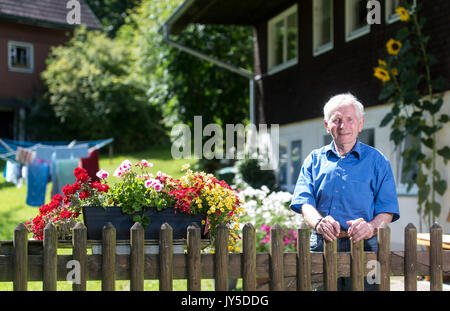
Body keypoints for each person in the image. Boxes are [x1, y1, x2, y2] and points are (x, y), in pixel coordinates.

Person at [290, 93, 400, 290]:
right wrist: (318, 222)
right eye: (337, 120)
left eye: (350, 119)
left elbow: (388, 210)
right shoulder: (313, 160)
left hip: (366, 248)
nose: (343, 126)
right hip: (321, 245)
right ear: (326, 124)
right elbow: (305, 202)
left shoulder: (378, 161)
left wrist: (370, 227)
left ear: (360, 124)